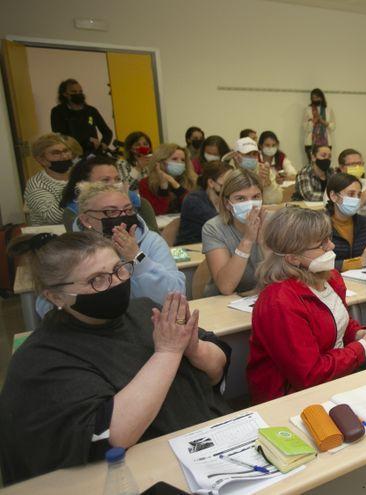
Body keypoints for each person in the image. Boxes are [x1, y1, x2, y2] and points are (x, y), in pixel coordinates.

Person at [1, 232, 230, 483]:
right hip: (136, 476)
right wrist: (168, 353)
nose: (116, 283)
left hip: (208, 445)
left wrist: (194, 349)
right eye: (96, 279)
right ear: (55, 296)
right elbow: (111, 434)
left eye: (119, 269)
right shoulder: (43, 360)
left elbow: (216, 371)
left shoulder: (144, 310)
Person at [247, 207, 366, 403]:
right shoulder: (279, 302)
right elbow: (308, 376)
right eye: (321, 245)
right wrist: (364, 346)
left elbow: (338, 323)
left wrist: (360, 335)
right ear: (292, 258)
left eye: (328, 238)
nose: (331, 246)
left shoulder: (329, 278)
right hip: (290, 397)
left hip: (335, 377)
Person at [35, 181, 186, 316]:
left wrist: (137, 258)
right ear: (86, 220)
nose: (122, 216)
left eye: (128, 210)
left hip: (145, 321)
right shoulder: (69, 249)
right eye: (111, 212)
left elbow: (176, 295)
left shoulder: (151, 241)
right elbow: (45, 306)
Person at [202, 169, 265, 296]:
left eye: (256, 197)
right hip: (225, 304)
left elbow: (280, 277)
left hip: (261, 297)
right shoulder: (213, 228)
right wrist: (247, 240)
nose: (250, 204)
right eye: (241, 198)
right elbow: (226, 287)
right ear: (227, 204)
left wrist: (264, 241)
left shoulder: (273, 222)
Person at [59, 155, 159, 233]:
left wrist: (128, 208)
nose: (113, 184)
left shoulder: (139, 203)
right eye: (105, 180)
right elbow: (82, 246)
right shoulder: (72, 212)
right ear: (84, 185)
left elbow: (155, 239)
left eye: (117, 179)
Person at [177, 160, 234, 245]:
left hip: (213, 246)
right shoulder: (194, 200)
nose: (230, 188)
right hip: (191, 249)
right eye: (226, 184)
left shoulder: (225, 199)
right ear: (211, 183)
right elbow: (220, 226)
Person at [49, 79, 112, 156]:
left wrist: (103, 144)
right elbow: (60, 135)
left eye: (80, 91)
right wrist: (87, 139)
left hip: (93, 153)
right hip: (71, 154)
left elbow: (107, 132)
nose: (78, 94)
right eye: (74, 92)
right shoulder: (58, 112)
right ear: (65, 94)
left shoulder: (91, 110)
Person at [23, 133, 75, 225]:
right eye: (56, 153)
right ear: (41, 159)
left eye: (66, 151)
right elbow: (54, 218)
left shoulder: (78, 174)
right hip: (53, 235)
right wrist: (77, 190)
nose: (64, 156)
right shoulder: (37, 184)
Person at [139, 143, 197, 215]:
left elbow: (195, 207)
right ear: (160, 162)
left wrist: (176, 185)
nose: (179, 163)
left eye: (183, 160)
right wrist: (164, 187)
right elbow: (156, 212)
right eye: (174, 159)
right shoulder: (146, 183)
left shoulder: (191, 181)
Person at [330, 148, 366, 219]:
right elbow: (343, 218)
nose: (357, 167)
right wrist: (362, 199)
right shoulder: (335, 186)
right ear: (342, 168)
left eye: (359, 163)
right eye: (353, 164)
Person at [227, 137, 282, 205]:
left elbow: (277, 200)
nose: (252, 157)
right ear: (236, 155)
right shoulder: (228, 172)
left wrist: (268, 186)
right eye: (247, 154)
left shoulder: (263, 170)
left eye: (254, 154)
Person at [303, 88, 335, 159]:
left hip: (326, 143)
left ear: (321, 97)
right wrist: (313, 121)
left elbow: (333, 127)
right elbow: (305, 128)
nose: (315, 99)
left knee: (325, 164)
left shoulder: (328, 110)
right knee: (312, 164)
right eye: (313, 98)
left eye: (317, 97)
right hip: (311, 143)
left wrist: (322, 121)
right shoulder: (307, 110)